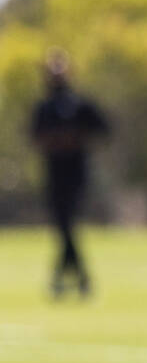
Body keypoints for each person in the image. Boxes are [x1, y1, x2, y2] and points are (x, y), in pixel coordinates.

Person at [30, 49, 110, 298]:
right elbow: (36, 137)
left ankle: (67, 279)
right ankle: (78, 278)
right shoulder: (43, 108)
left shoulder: (80, 104)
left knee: (67, 225)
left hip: (77, 173)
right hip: (54, 174)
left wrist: (76, 139)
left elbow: (103, 129)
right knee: (64, 226)